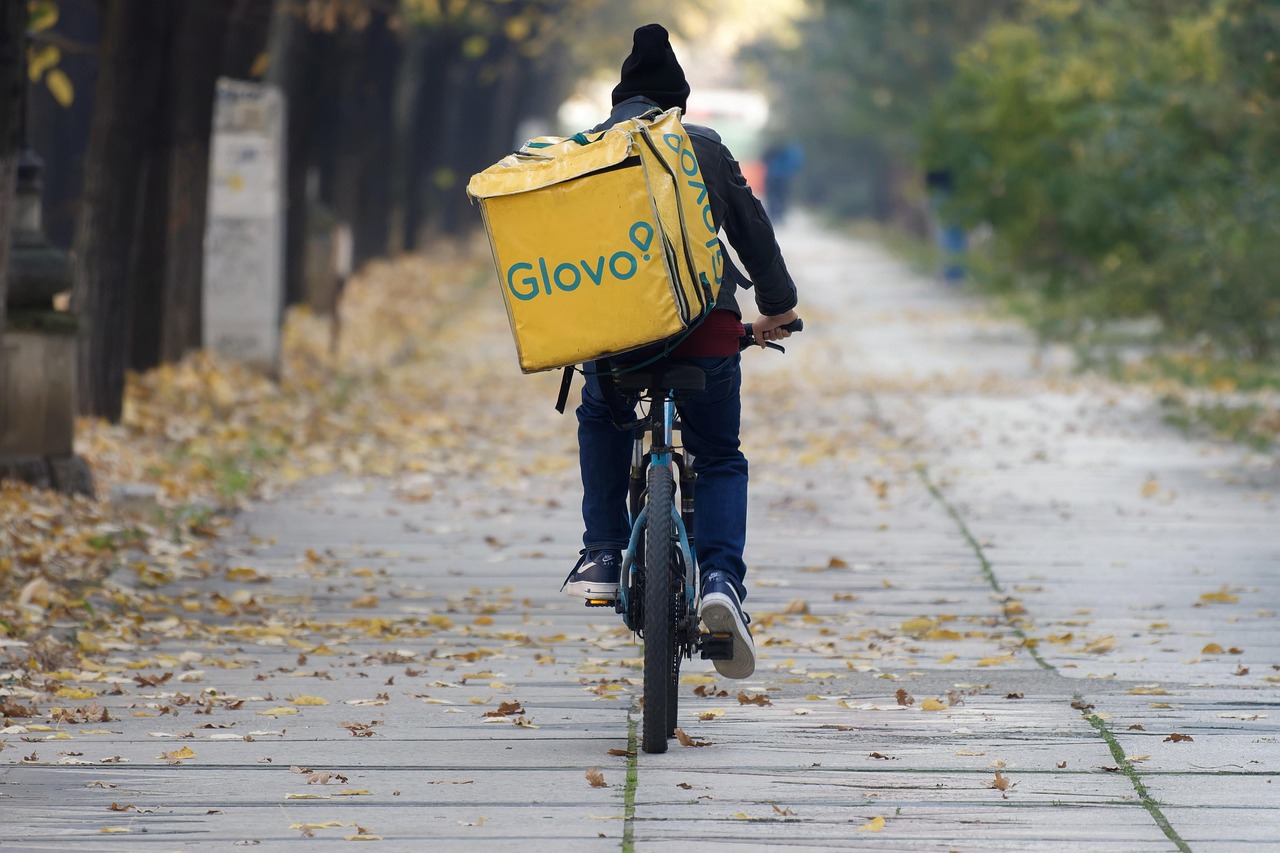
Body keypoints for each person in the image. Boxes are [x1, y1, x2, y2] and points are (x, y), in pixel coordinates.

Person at [561, 24, 799, 680]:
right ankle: (721, 580)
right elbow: (753, 233)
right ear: (679, 105)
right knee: (718, 454)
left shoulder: (587, 152)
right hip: (706, 332)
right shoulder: (702, 147)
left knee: (600, 414)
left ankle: (603, 551)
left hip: (617, 341)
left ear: (618, 102)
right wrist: (777, 308)